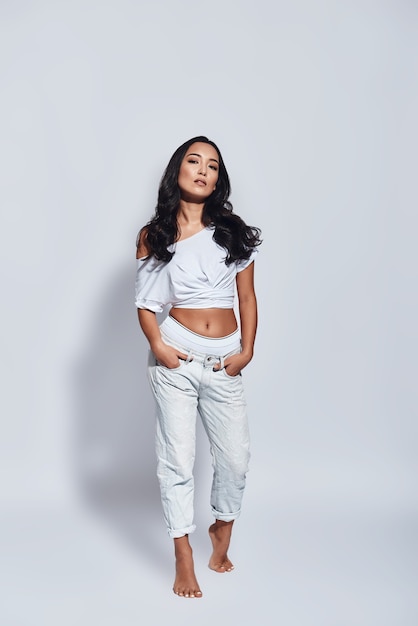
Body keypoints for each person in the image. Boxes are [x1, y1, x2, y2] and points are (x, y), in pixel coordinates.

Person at [135, 136, 261, 598]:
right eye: (194, 161)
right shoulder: (156, 236)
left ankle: (221, 529)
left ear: (218, 177)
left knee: (235, 460)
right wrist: (158, 346)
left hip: (225, 358)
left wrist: (246, 350)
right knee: (178, 461)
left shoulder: (233, 232)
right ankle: (183, 553)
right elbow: (146, 305)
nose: (203, 170)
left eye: (212, 165)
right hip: (177, 356)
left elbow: (246, 296)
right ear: (178, 171)